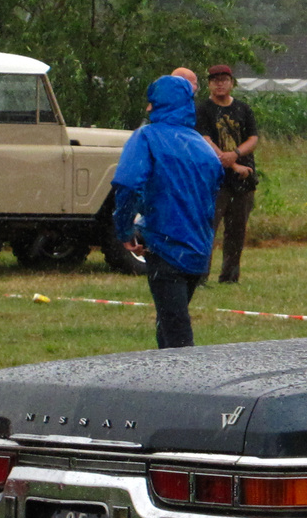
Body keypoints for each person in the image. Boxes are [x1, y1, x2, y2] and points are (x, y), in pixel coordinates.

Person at [111, 73, 224, 348]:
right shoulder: (203, 147)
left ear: (160, 104)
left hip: (166, 248)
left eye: (152, 102)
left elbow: (127, 186)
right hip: (198, 253)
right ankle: (165, 381)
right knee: (168, 321)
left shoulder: (147, 137)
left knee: (176, 333)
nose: (148, 108)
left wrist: (125, 230)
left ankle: (185, 387)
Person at [195, 64, 260, 283]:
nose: (220, 83)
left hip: (243, 179)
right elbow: (204, 139)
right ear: (209, 84)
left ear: (231, 82)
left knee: (236, 232)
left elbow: (253, 138)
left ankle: (230, 277)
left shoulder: (243, 109)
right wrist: (230, 162)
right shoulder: (203, 109)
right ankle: (200, 276)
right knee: (208, 229)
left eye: (224, 79)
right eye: (215, 80)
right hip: (215, 180)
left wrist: (236, 153)